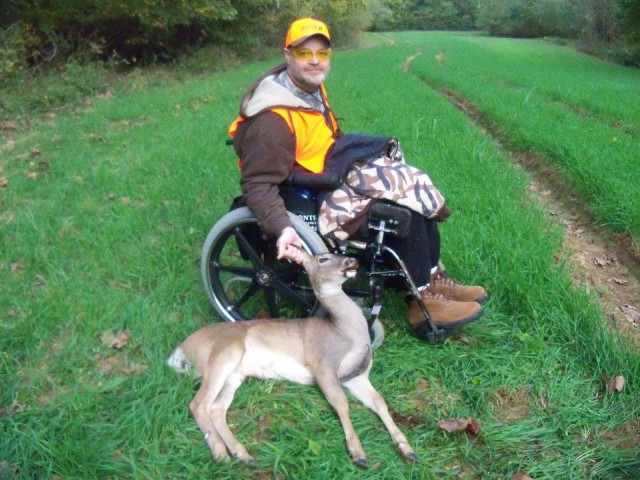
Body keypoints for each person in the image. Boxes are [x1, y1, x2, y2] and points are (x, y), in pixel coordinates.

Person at [228, 17, 487, 339]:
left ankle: (432, 278)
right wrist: (281, 229)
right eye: (304, 52)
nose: (313, 60)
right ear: (288, 54)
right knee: (395, 214)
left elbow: (326, 139)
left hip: (326, 173)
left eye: (321, 54)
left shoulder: (309, 90)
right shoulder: (272, 121)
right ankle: (421, 303)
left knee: (409, 186)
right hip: (305, 193)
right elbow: (258, 184)